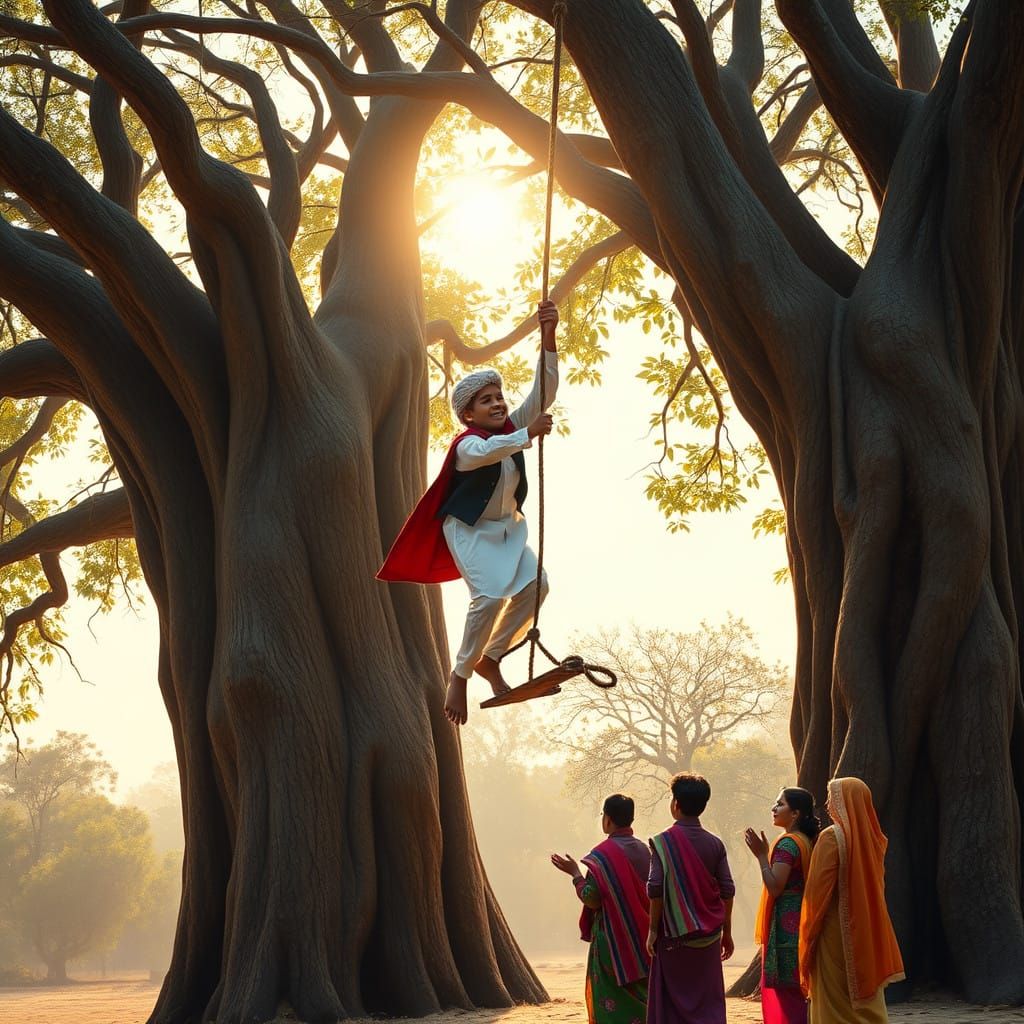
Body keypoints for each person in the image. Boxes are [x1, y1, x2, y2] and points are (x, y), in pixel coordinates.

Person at [377, 301, 559, 725]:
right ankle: (459, 674)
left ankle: (490, 658)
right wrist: (526, 433)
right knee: (489, 596)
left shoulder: (511, 428)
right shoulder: (468, 445)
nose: (497, 404)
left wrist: (547, 337)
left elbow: (543, 394)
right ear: (468, 414)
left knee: (538, 587)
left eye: (499, 397)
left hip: (508, 531)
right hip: (470, 532)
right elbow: (487, 451)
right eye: (486, 401)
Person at [799, 777, 904, 1023]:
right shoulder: (874, 840)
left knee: (834, 996)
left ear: (844, 802)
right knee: (864, 987)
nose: (827, 803)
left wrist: (809, 930)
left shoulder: (831, 837)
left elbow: (817, 891)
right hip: (867, 927)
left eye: (832, 797)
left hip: (835, 929)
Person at [551, 793, 651, 1024]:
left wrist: (576, 874)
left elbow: (592, 898)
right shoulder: (646, 851)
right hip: (645, 936)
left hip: (612, 941)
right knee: (643, 998)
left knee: (610, 1000)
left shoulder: (601, 857)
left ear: (607, 819)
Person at [645, 772, 734, 1024]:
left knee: (671, 1003)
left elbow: (655, 888)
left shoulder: (661, 843)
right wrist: (727, 932)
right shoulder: (715, 844)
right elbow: (727, 889)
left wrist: (652, 929)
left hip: (673, 936)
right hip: (709, 939)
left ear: (675, 804)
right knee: (708, 1000)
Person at [744, 787, 820, 1024]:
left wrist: (760, 856)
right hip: (800, 919)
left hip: (787, 927)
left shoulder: (788, 844)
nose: (774, 809)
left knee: (787, 991)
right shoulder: (805, 841)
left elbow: (775, 887)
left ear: (795, 813)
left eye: (780, 804)